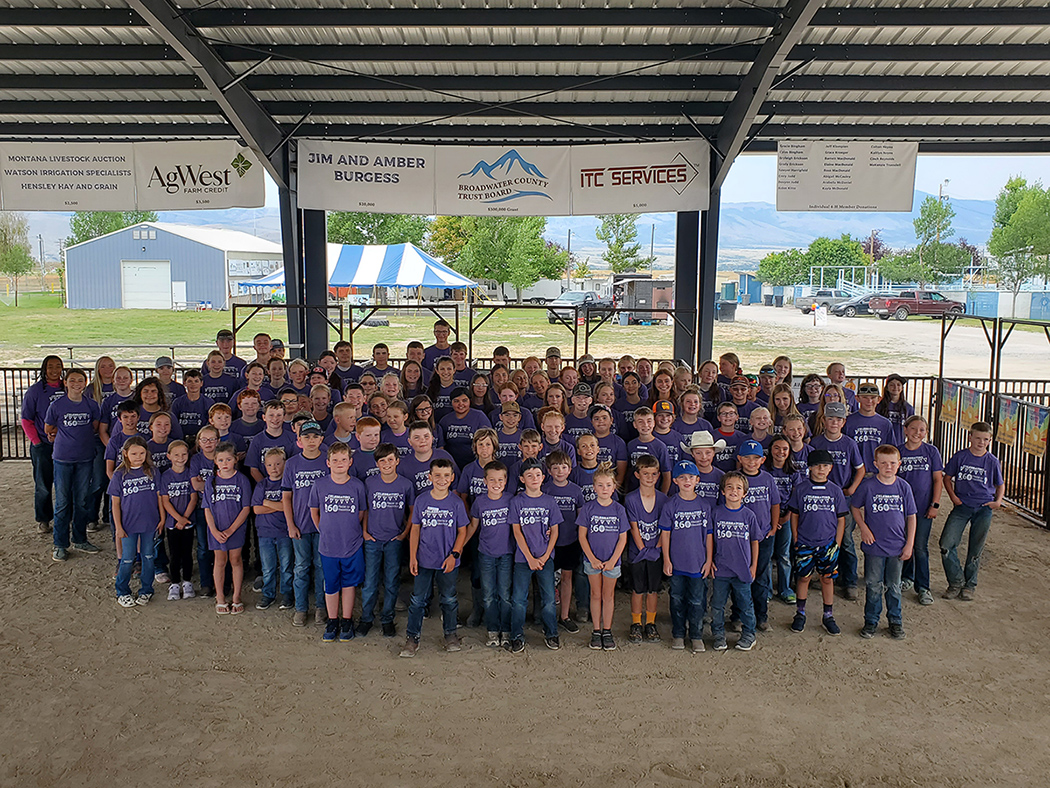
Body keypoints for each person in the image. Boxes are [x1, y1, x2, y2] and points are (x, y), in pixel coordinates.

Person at [400, 457, 469, 657]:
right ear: (430, 477)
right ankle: (412, 638)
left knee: (448, 599)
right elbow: (415, 530)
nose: (442, 479)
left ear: (452, 478)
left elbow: (462, 531)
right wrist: (413, 557)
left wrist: (454, 554)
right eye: (437, 475)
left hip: (448, 560)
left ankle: (450, 634)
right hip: (424, 560)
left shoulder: (456, 502)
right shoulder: (422, 500)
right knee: (418, 600)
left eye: (446, 475)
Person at [852, 445, 917, 640]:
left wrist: (909, 544)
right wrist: (863, 528)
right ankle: (871, 621)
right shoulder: (868, 485)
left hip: (897, 546)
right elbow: (855, 507)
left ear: (899, 464)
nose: (888, 467)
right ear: (876, 464)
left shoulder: (903, 486)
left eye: (892, 463)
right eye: (883, 463)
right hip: (874, 546)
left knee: (894, 585)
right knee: (873, 584)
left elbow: (911, 516)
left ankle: (895, 621)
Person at [309, 442, 368, 642]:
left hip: (351, 543)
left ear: (350, 462)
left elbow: (361, 512)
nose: (339, 463)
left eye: (343, 460)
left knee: (349, 583)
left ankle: (347, 620)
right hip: (328, 544)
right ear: (328, 463)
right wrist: (323, 529)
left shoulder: (357, 485)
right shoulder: (320, 485)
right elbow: (314, 511)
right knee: (331, 584)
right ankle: (332, 620)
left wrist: (350, 529)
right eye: (335, 460)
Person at [939, 422, 1005, 601]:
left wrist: (997, 502)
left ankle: (970, 585)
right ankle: (956, 581)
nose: (981, 442)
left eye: (985, 439)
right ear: (970, 437)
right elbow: (947, 478)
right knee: (946, 544)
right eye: (977, 438)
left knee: (976, 548)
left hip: (984, 508)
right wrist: (953, 497)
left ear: (990, 440)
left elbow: (1000, 484)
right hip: (962, 506)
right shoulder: (961, 456)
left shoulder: (991, 461)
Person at [787, 449, 848, 635]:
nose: (821, 469)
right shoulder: (801, 489)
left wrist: (836, 543)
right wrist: (796, 537)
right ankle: (800, 612)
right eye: (817, 466)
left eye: (825, 466)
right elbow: (794, 515)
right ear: (810, 468)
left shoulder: (835, 490)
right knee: (804, 577)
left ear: (830, 468)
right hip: (805, 542)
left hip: (828, 543)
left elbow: (841, 519)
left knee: (827, 579)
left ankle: (828, 614)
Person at [808, 401, 865, 599]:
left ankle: (849, 581)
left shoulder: (849, 443)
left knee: (846, 538)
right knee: (820, 535)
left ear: (844, 422)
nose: (834, 422)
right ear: (823, 420)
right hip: (819, 496)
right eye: (830, 418)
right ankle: (822, 574)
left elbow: (860, 469)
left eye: (838, 419)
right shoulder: (815, 443)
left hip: (841, 496)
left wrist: (852, 488)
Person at [44, 368, 102, 561]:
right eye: (72, 380)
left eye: (80, 380)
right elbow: (49, 427)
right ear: (66, 383)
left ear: (85, 383)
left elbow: (94, 426)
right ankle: (60, 544)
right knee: (62, 502)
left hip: (85, 458)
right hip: (62, 459)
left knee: (82, 501)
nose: (76, 384)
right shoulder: (57, 405)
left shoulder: (91, 405)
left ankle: (80, 539)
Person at [659, 460, 714, 653]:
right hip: (676, 563)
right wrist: (666, 559)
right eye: (682, 477)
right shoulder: (670, 505)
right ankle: (679, 633)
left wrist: (708, 560)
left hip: (698, 563)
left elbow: (709, 534)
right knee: (676, 599)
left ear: (697, 480)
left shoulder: (704, 505)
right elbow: (665, 534)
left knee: (697, 600)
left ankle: (697, 635)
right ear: (675, 481)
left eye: (691, 477)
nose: (687, 480)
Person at [507, 458, 562, 653]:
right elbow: (517, 532)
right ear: (522, 479)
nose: (534, 478)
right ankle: (516, 636)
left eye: (537, 475)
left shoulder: (549, 501)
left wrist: (546, 555)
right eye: (529, 475)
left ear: (543, 477)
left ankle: (551, 633)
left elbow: (555, 531)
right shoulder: (516, 502)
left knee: (548, 598)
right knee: (519, 599)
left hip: (545, 558)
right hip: (523, 559)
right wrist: (529, 557)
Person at [361, 443, 415, 638]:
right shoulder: (369, 483)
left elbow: (412, 512)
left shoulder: (405, 484)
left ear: (397, 461)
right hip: (373, 539)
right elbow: (365, 509)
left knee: (392, 582)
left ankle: (387, 619)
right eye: (382, 460)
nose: (386, 464)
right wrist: (365, 532)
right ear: (377, 463)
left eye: (390, 460)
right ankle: (366, 618)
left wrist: (403, 534)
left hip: (394, 539)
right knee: (370, 581)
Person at [282, 420, 331, 626]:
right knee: (301, 567)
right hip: (301, 524)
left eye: (315, 437)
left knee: (321, 567)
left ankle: (321, 607)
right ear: (299, 440)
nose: (311, 441)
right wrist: (290, 524)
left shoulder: (327, 461)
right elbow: (286, 496)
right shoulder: (292, 463)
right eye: (306, 437)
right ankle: (301, 608)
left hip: (323, 525)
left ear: (321, 439)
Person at [578, 462, 630, 651]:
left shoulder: (618, 509)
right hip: (592, 560)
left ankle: (607, 630)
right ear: (594, 487)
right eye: (600, 485)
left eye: (608, 485)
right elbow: (582, 536)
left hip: (612, 561)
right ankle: (596, 630)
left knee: (608, 596)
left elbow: (623, 538)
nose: (604, 489)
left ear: (614, 486)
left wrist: (613, 559)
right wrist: (591, 558)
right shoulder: (588, 508)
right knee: (595, 594)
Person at [109, 436, 163, 608]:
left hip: (150, 523)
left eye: (141, 453)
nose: (138, 456)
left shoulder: (153, 471)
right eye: (134, 453)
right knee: (127, 558)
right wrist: (118, 526)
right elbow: (115, 504)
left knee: (148, 557)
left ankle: (146, 590)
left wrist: (162, 518)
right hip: (128, 525)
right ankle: (122, 591)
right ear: (125, 454)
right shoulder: (119, 475)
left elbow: (159, 497)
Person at [710, 472, 760, 651]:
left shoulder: (749, 515)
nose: (734, 491)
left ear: (745, 493)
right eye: (729, 487)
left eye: (739, 488)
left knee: (745, 604)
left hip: (743, 569)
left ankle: (749, 634)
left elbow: (755, 541)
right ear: (722, 491)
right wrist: (710, 561)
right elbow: (710, 540)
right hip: (721, 569)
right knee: (717, 604)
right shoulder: (715, 513)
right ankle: (718, 634)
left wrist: (753, 565)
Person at [897, 415, 944, 605]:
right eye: (914, 429)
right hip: (900, 509)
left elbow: (937, 480)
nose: (918, 433)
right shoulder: (898, 452)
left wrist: (935, 504)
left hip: (923, 507)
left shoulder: (931, 451)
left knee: (920, 546)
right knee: (902, 542)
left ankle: (923, 587)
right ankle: (905, 577)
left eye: (922, 429)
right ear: (905, 430)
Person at [735, 439, 781, 633]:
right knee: (739, 577)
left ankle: (761, 616)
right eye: (747, 458)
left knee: (761, 576)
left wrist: (772, 526)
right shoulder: (734, 479)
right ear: (739, 459)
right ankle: (737, 615)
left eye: (756, 458)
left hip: (763, 535)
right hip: (738, 537)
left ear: (762, 460)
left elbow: (775, 503)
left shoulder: (768, 479)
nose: (751, 462)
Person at [468, 460, 515, 647]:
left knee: (505, 594)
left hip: (506, 553)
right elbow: (473, 526)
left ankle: (506, 630)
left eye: (501, 480)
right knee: (488, 594)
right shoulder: (480, 502)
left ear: (505, 481)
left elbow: (522, 526)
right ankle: (492, 630)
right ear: (485, 481)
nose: (496, 484)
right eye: (492, 480)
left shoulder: (511, 500)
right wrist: (458, 546)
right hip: (486, 554)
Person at [204, 441, 252, 615]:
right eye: (221, 460)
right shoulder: (211, 481)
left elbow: (246, 508)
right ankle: (220, 598)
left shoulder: (242, 480)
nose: (225, 463)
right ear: (216, 461)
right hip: (216, 529)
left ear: (235, 460)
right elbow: (207, 508)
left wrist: (231, 530)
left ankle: (237, 597)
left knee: (236, 560)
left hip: (236, 528)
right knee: (220, 561)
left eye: (228, 459)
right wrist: (214, 531)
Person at [625, 454, 668, 643]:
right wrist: (643, 549)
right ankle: (636, 623)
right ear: (637, 475)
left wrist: (656, 549)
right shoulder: (631, 499)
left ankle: (650, 623)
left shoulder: (664, 499)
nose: (649, 477)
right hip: (638, 553)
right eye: (645, 473)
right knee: (638, 589)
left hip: (656, 552)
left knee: (652, 590)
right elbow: (634, 528)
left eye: (653, 474)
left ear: (658, 475)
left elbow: (665, 529)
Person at [542, 451, 587, 633]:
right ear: (549, 471)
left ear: (570, 469)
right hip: (549, 542)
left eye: (564, 467)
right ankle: (548, 616)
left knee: (567, 578)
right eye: (555, 468)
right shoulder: (546, 489)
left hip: (570, 540)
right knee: (547, 581)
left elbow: (581, 516)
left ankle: (565, 616)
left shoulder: (576, 490)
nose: (560, 471)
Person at [21, 354, 65, 533]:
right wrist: (37, 442)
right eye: (50, 367)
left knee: (65, 484)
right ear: (44, 369)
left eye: (58, 366)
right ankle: (44, 519)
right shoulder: (35, 391)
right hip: (42, 444)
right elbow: (26, 419)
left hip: (65, 445)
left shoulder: (67, 387)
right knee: (43, 485)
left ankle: (65, 517)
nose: (55, 370)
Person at [252, 447, 294, 611]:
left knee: (286, 566)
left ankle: (287, 594)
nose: (274, 468)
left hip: (284, 531)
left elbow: (290, 506)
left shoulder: (288, 483)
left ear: (284, 463)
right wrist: (280, 506)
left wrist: (268, 503)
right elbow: (256, 509)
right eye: (270, 465)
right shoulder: (262, 484)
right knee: (268, 568)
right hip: (265, 533)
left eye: (278, 464)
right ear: (265, 466)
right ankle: (268, 594)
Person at [160, 440, 197, 601]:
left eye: (184, 454)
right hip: (172, 522)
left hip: (188, 522)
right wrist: (178, 519)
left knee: (187, 553)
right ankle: (174, 583)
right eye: (176, 455)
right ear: (169, 456)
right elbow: (165, 500)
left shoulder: (190, 473)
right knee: (174, 554)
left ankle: (187, 582)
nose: (180, 458)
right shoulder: (166, 476)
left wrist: (185, 518)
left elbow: (194, 498)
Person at [766, 435, 800, 604]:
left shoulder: (793, 473)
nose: (780, 452)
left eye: (785, 449)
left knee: (784, 555)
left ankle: (785, 588)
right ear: (771, 450)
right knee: (767, 554)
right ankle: (766, 589)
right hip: (767, 518)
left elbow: (796, 498)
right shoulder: (764, 471)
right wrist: (773, 519)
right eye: (777, 448)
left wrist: (785, 518)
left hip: (786, 517)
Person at [845, 382, 894, 473]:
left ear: (879, 399)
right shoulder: (847, 422)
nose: (869, 401)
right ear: (857, 398)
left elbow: (890, 451)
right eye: (865, 397)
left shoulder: (885, 424)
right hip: (854, 474)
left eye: (873, 398)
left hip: (878, 474)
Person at [627, 407, 672, 493]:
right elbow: (628, 472)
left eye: (649, 421)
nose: (645, 425)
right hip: (634, 492)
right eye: (640, 422)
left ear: (654, 423)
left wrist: (663, 496)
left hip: (654, 493)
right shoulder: (630, 445)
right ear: (634, 425)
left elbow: (666, 475)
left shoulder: (660, 447)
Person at [680, 430, 726, 506]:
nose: (704, 457)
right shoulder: (685, 476)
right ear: (692, 454)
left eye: (708, 453)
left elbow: (723, 503)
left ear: (713, 453)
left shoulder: (721, 476)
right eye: (698, 453)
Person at [171, 370, 214, 443]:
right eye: (190, 381)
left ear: (201, 383)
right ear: (184, 383)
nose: (193, 384)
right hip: (181, 439)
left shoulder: (209, 402)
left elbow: (211, 424)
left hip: (202, 440)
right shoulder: (177, 403)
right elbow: (173, 423)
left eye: (196, 381)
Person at [876, 374, 915, 447]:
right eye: (892, 385)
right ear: (887, 388)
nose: (895, 387)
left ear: (902, 388)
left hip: (899, 443)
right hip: (882, 444)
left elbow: (912, 427)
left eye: (898, 385)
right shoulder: (879, 406)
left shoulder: (908, 408)